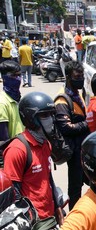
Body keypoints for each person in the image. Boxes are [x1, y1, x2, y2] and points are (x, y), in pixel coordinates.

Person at [2, 92, 61, 222]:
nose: (51, 120)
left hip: (49, 216)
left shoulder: (45, 144)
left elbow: (48, 179)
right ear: (30, 118)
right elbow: (13, 194)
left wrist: (57, 208)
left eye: (52, 114)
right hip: (33, 222)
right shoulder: (18, 149)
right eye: (45, 115)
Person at [55, 61, 89, 209]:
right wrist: (88, 124)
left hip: (83, 149)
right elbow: (66, 127)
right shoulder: (62, 100)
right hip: (74, 151)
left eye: (82, 76)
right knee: (75, 189)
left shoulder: (77, 95)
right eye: (77, 76)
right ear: (68, 77)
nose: (80, 79)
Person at [0, 60, 24, 141]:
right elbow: (3, 138)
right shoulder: (2, 103)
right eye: (14, 75)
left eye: (19, 75)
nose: (18, 79)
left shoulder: (17, 98)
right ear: (4, 78)